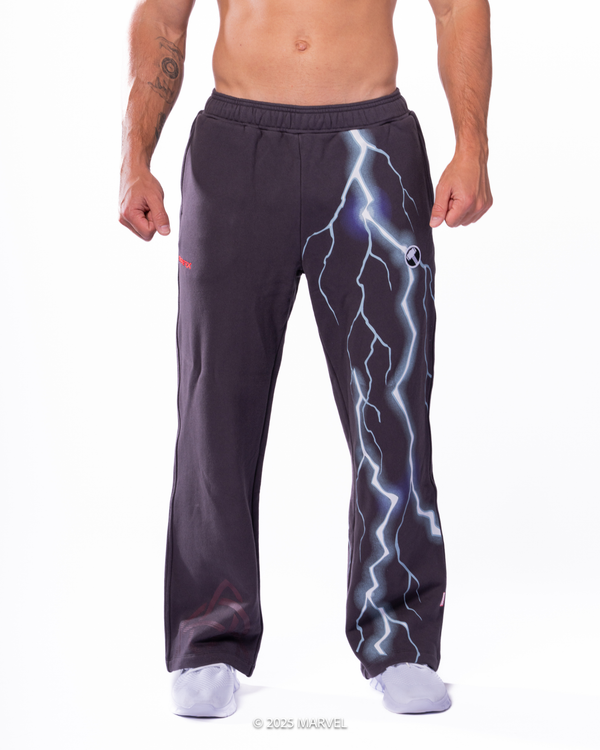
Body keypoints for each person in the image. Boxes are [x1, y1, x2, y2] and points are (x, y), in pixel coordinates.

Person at [119, 0, 492, 718]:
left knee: (392, 407)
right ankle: (209, 637)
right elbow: (162, 18)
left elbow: (457, 7)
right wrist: (134, 158)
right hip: (234, 150)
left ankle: (400, 638)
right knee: (214, 407)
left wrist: (471, 144)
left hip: (370, 151)